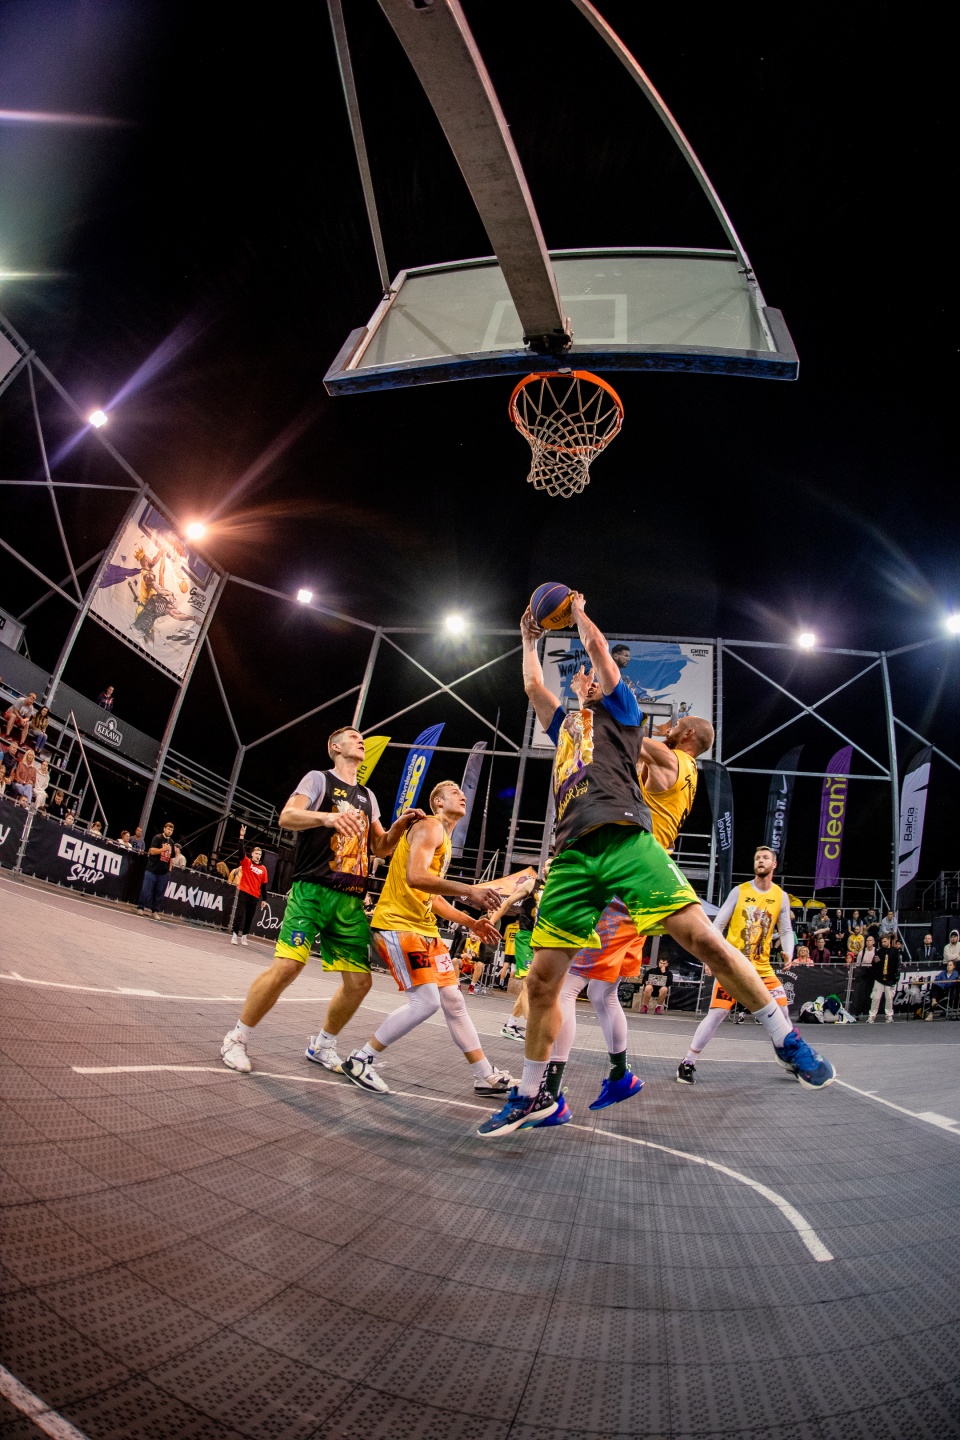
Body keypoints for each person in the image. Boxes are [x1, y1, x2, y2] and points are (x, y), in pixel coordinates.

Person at [479, 597, 834, 1137]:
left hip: (627, 840)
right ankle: (535, 1096)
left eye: (597, 683)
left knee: (704, 941)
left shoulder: (624, 718)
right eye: (586, 684)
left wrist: (577, 614)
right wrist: (529, 640)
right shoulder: (568, 729)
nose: (588, 683)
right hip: (572, 853)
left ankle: (786, 1039)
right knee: (545, 981)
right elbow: (532, 687)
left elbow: (600, 650)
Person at [221, 726, 423, 1075]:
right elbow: (287, 817)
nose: (360, 740)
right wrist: (328, 817)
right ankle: (236, 1038)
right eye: (353, 736)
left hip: (349, 900)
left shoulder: (368, 796)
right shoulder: (319, 779)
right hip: (312, 890)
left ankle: (322, 1045)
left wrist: (399, 826)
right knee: (288, 967)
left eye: (361, 738)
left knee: (360, 983)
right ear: (335, 747)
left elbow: (379, 848)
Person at [339, 780, 513, 1096]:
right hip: (398, 924)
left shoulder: (443, 838)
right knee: (426, 1002)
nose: (462, 795)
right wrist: (470, 891)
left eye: (462, 792)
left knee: (454, 1001)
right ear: (438, 802)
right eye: (454, 792)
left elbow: (431, 895)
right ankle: (360, 1059)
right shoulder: (430, 826)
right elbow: (415, 877)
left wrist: (471, 922)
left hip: (425, 929)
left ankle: (484, 1075)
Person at [677, 845, 795, 1084]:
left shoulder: (781, 896)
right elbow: (717, 925)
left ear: (774, 865)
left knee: (783, 1012)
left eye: (765, 858)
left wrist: (788, 952)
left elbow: (786, 930)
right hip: (733, 965)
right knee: (718, 1013)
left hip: (762, 968)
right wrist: (710, 957)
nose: (760, 860)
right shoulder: (739, 891)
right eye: (757, 857)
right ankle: (687, 1063)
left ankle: (791, 1058)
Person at [500, 875, 540, 1043]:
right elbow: (508, 902)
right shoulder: (533, 884)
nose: (549, 866)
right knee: (529, 984)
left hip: (542, 938)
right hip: (525, 937)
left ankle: (510, 1025)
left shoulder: (560, 887)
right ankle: (534, 1030)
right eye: (547, 864)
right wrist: (491, 921)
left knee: (529, 987)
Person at [231, 827, 269, 946]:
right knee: (239, 914)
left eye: (260, 854)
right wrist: (241, 837)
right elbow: (241, 852)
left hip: (254, 895)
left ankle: (244, 936)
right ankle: (235, 935)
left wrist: (264, 899)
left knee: (249, 917)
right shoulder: (247, 862)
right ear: (252, 854)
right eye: (256, 853)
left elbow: (264, 886)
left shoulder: (263, 869)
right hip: (244, 892)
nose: (258, 856)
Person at [137, 821, 174, 917]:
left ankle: (155, 911)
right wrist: (163, 849)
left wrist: (169, 870)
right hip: (152, 869)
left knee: (159, 893)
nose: (169, 831)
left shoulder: (172, 842)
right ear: (164, 829)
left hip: (164, 872)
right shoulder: (157, 838)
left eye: (171, 830)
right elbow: (152, 851)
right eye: (168, 829)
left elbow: (171, 858)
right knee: (146, 890)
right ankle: (141, 907)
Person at [867, 937, 901, 1023]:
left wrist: (896, 976)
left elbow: (898, 964)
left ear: (889, 941)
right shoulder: (879, 951)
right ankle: (872, 1015)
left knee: (889, 998)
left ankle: (889, 1015)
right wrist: (875, 961)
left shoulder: (894, 951)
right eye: (882, 942)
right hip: (879, 978)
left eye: (885, 941)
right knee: (875, 997)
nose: (883, 943)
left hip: (890, 978)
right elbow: (873, 964)